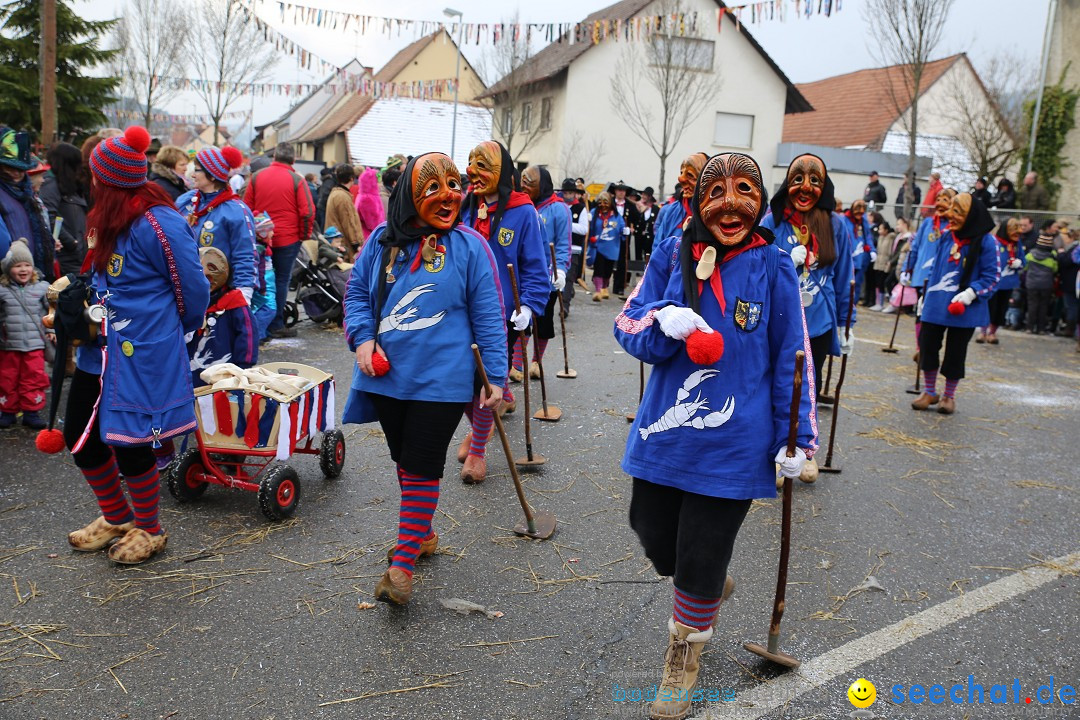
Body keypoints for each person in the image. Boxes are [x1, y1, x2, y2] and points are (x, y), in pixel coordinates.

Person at [614, 153, 817, 720]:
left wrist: (795, 438)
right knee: (654, 538)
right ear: (698, 200)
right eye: (717, 191)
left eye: (745, 189)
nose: (731, 203)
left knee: (700, 553)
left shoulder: (775, 265)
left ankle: (681, 665)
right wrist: (662, 320)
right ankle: (703, 585)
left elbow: (792, 357)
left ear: (761, 199)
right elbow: (626, 324)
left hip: (736, 447)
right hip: (666, 435)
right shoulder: (670, 251)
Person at [341, 152, 506, 605]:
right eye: (434, 187)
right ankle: (424, 532)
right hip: (387, 377)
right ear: (408, 196)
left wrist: (495, 376)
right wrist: (361, 340)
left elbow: (489, 316)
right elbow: (356, 293)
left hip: (445, 381)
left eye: (454, 184)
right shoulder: (380, 240)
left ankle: (403, 566)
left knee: (419, 468)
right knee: (404, 461)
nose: (450, 194)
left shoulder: (471, 247)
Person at [63, 126, 209, 565]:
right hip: (98, 350)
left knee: (131, 441)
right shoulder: (104, 218)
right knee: (79, 435)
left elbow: (194, 290)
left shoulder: (158, 221)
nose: (90, 184)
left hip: (141, 352)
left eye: (95, 177)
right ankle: (116, 516)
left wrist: (165, 333)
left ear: (106, 180)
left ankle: (150, 528)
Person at [457, 141, 547, 485]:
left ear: (502, 171)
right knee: (463, 382)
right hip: (461, 308)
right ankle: (479, 430)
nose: (472, 171)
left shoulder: (524, 212)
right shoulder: (465, 206)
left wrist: (530, 306)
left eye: (483, 164)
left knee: (487, 382)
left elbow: (536, 266)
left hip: (501, 313)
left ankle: (478, 450)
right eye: (470, 163)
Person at [760, 153, 854, 416]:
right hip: (778, 320)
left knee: (811, 385)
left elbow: (845, 276)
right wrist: (784, 261)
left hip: (819, 322)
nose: (805, 187)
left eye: (814, 180)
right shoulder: (771, 222)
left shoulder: (835, 224)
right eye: (798, 178)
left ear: (824, 187)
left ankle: (804, 443)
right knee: (775, 380)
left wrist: (848, 324)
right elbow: (754, 268)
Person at [911, 193, 999, 415]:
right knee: (928, 347)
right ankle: (929, 391)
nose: (950, 215)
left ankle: (949, 396)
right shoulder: (947, 236)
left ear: (971, 216)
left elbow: (993, 277)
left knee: (956, 353)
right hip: (936, 305)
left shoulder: (987, 242)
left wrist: (971, 293)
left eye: (957, 211)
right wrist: (925, 293)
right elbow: (935, 268)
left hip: (964, 308)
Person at [243, 142, 315, 339]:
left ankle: (256, 323)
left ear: (274, 156)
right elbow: (307, 212)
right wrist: (304, 235)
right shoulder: (296, 179)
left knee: (260, 280)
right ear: (293, 159)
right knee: (282, 280)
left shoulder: (257, 177)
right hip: (288, 238)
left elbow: (246, 208)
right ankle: (276, 324)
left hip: (261, 238)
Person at [177, 146, 258, 303]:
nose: (192, 175)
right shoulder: (186, 201)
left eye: (197, 170)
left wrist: (243, 292)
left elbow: (244, 254)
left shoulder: (236, 211)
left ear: (212, 176)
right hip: (184, 289)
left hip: (217, 294)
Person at [517, 166, 570, 379]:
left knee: (543, 321)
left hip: (547, 276)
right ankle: (517, 364)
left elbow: (564, 244)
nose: (523, 186)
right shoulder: (522, 206)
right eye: (522, 181)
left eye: (529, 182)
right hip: (524, 274)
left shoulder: (558, 209)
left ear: (542, 185)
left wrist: (561, 270)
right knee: (521, 320)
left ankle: (536, 362)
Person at [187, 247, 257, 385]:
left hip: (226, 373)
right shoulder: (190, 300)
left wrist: (244, 366)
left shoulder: (234, 301)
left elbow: (248, 334)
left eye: (209, 276)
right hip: (192, 374)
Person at [0, 242, 51, 429]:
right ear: (7, 269)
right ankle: (7, 411)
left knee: (34, 377)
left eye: (27, 265)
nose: (23, 269)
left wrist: (52, 331)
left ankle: (31, 411)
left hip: (35, 344)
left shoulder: (43, 288)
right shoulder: (2, 290)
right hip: (8, 345)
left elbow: (51, 314)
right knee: (7, 379)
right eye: (17, 265)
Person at [0, 127, 53, 282]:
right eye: (11, 167)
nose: (17, 173)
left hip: (33, 274)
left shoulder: (27, 193)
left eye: (21, 169)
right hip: (8, 277)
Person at [39, 142, 89, 276]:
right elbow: (48, 216)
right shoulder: (51, 184)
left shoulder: (72, 186)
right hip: (67, 256)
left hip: (78, 256)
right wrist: (71, 242)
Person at [979, 217, 1024, 344]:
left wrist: (1018, 263)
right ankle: (983, 331)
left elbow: (1023, 261)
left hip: (1008, 283)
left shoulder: (1016, 245)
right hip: (993, 282)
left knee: (1001, 309)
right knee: (989, 307)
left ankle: (992, 333)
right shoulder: (994, 242)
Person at [653, 154, 708, 248]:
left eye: (690, 175)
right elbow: (658, 246)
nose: (681, 179)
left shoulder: (713, 213)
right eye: (681, 173)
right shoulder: (672, 211)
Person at [588, 192, 624, 302]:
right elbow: (588, 229)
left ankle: (604, 287)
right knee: (598, 268)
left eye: (605, 202)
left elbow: (622, 227)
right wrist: (590, 236)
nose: (603, 205)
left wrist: (625, 231)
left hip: (612, 247)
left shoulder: (616, 216)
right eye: (600, 202)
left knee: (608, 270)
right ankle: (598, 290)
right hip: (598, 245)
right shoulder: (594, 213)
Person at [324, 164, 363, 261]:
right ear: (351, 178)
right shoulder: (342, 197)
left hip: (337, 241)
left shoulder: (336, 193)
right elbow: (348, 222)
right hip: (343, 244)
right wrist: (356, 244)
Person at [1023, 229, 1058, 335]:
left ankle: (1029, 327)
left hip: (1032, 284)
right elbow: (1055, 269)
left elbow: (1025, 267)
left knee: (1032, 305)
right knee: (1043, 306)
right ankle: (1041, 329)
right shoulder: (1052, 255)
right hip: (1046, 285)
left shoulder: (1031, 254)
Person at [560, 177, 589, 304]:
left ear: (574, 193)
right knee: (560, 277)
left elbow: (584, 229)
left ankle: (565, 305)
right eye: (565, 193)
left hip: (574, 248)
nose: (567, 196)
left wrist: (567, 224)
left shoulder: (580, 208)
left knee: (569, 277)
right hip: (559, 247)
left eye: (570, 193)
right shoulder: (559, 206)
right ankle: (568, 292)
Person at [611, 181, 641, 297]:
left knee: (622, 261)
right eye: (619, 190)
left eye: (623, 190)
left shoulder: (630, 205)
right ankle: (603, 284)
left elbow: (637, 220)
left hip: (623, 237)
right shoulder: (610, 203)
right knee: (608, 261)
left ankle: (619, 287)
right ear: (615, 191)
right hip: (610, 236)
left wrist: (631, 229)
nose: (621, 192)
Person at [844, 200, 875, 307]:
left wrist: (872, 250)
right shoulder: (844, 220)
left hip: (861, 258)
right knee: (846, 283)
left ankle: (852, 306)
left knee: (857, 283)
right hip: (847, 257)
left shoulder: (863, 222)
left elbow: (868, 237)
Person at [354, 167, 386, 244]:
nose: (381, 184)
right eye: (378, 182)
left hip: (370, 235)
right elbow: (372, 224)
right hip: (371, 237)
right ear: (371, 183)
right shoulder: (368, 199)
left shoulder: (364, 195)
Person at [870, 219, 895, 311]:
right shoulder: (880, 238)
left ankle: (882, 303)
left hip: (885, 262)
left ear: (886, 230)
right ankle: (878, 302)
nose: (879, 231)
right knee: (877, 282)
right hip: (878, 262)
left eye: (881, 229)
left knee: (883, 282)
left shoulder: (891, 238)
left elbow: (890, 251)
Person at [635, 186, 658, 260]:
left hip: (650, 237)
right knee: (638, 255)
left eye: (645, 195)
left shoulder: (656, 209)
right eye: (642, 194)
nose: (643, 196)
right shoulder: (638, 207)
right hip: (639, 236)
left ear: (650, 197)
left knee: (649, 256)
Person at [314, 166, 335, 230]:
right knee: (324, 227)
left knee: (321, 226)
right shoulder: (329, 182)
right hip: (324, 207)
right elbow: (326, 194)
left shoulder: (325, 182)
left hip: (320, 206)